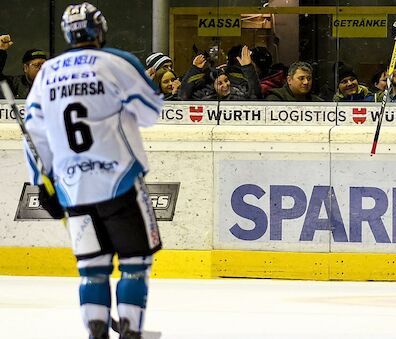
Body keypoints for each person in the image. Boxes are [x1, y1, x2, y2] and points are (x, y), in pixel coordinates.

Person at [24, 2, 163, 338]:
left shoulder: (46, 73)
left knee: (91, 269)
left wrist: (42, 187)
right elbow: (150, 112)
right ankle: (130, 330)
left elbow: (34, 135)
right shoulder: (117, 62)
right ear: (100, 29)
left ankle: (95, 332)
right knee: (135, 263)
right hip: (121, 181)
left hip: (72, 187)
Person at [179, 45, 260, 101]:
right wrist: (194, 69)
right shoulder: (205, 98)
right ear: (213, 86)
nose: (225, 85)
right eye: (219, 83)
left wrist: (248, 68)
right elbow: (183, 96)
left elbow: (255, 96)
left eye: (226, 80)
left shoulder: (238, 95)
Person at [0, 35, 47, 99]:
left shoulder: (53, 85)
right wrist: (1, 52)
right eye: (37, 65)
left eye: (44, 65)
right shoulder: (13, 84)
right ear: (26, 68)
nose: (41, 68)